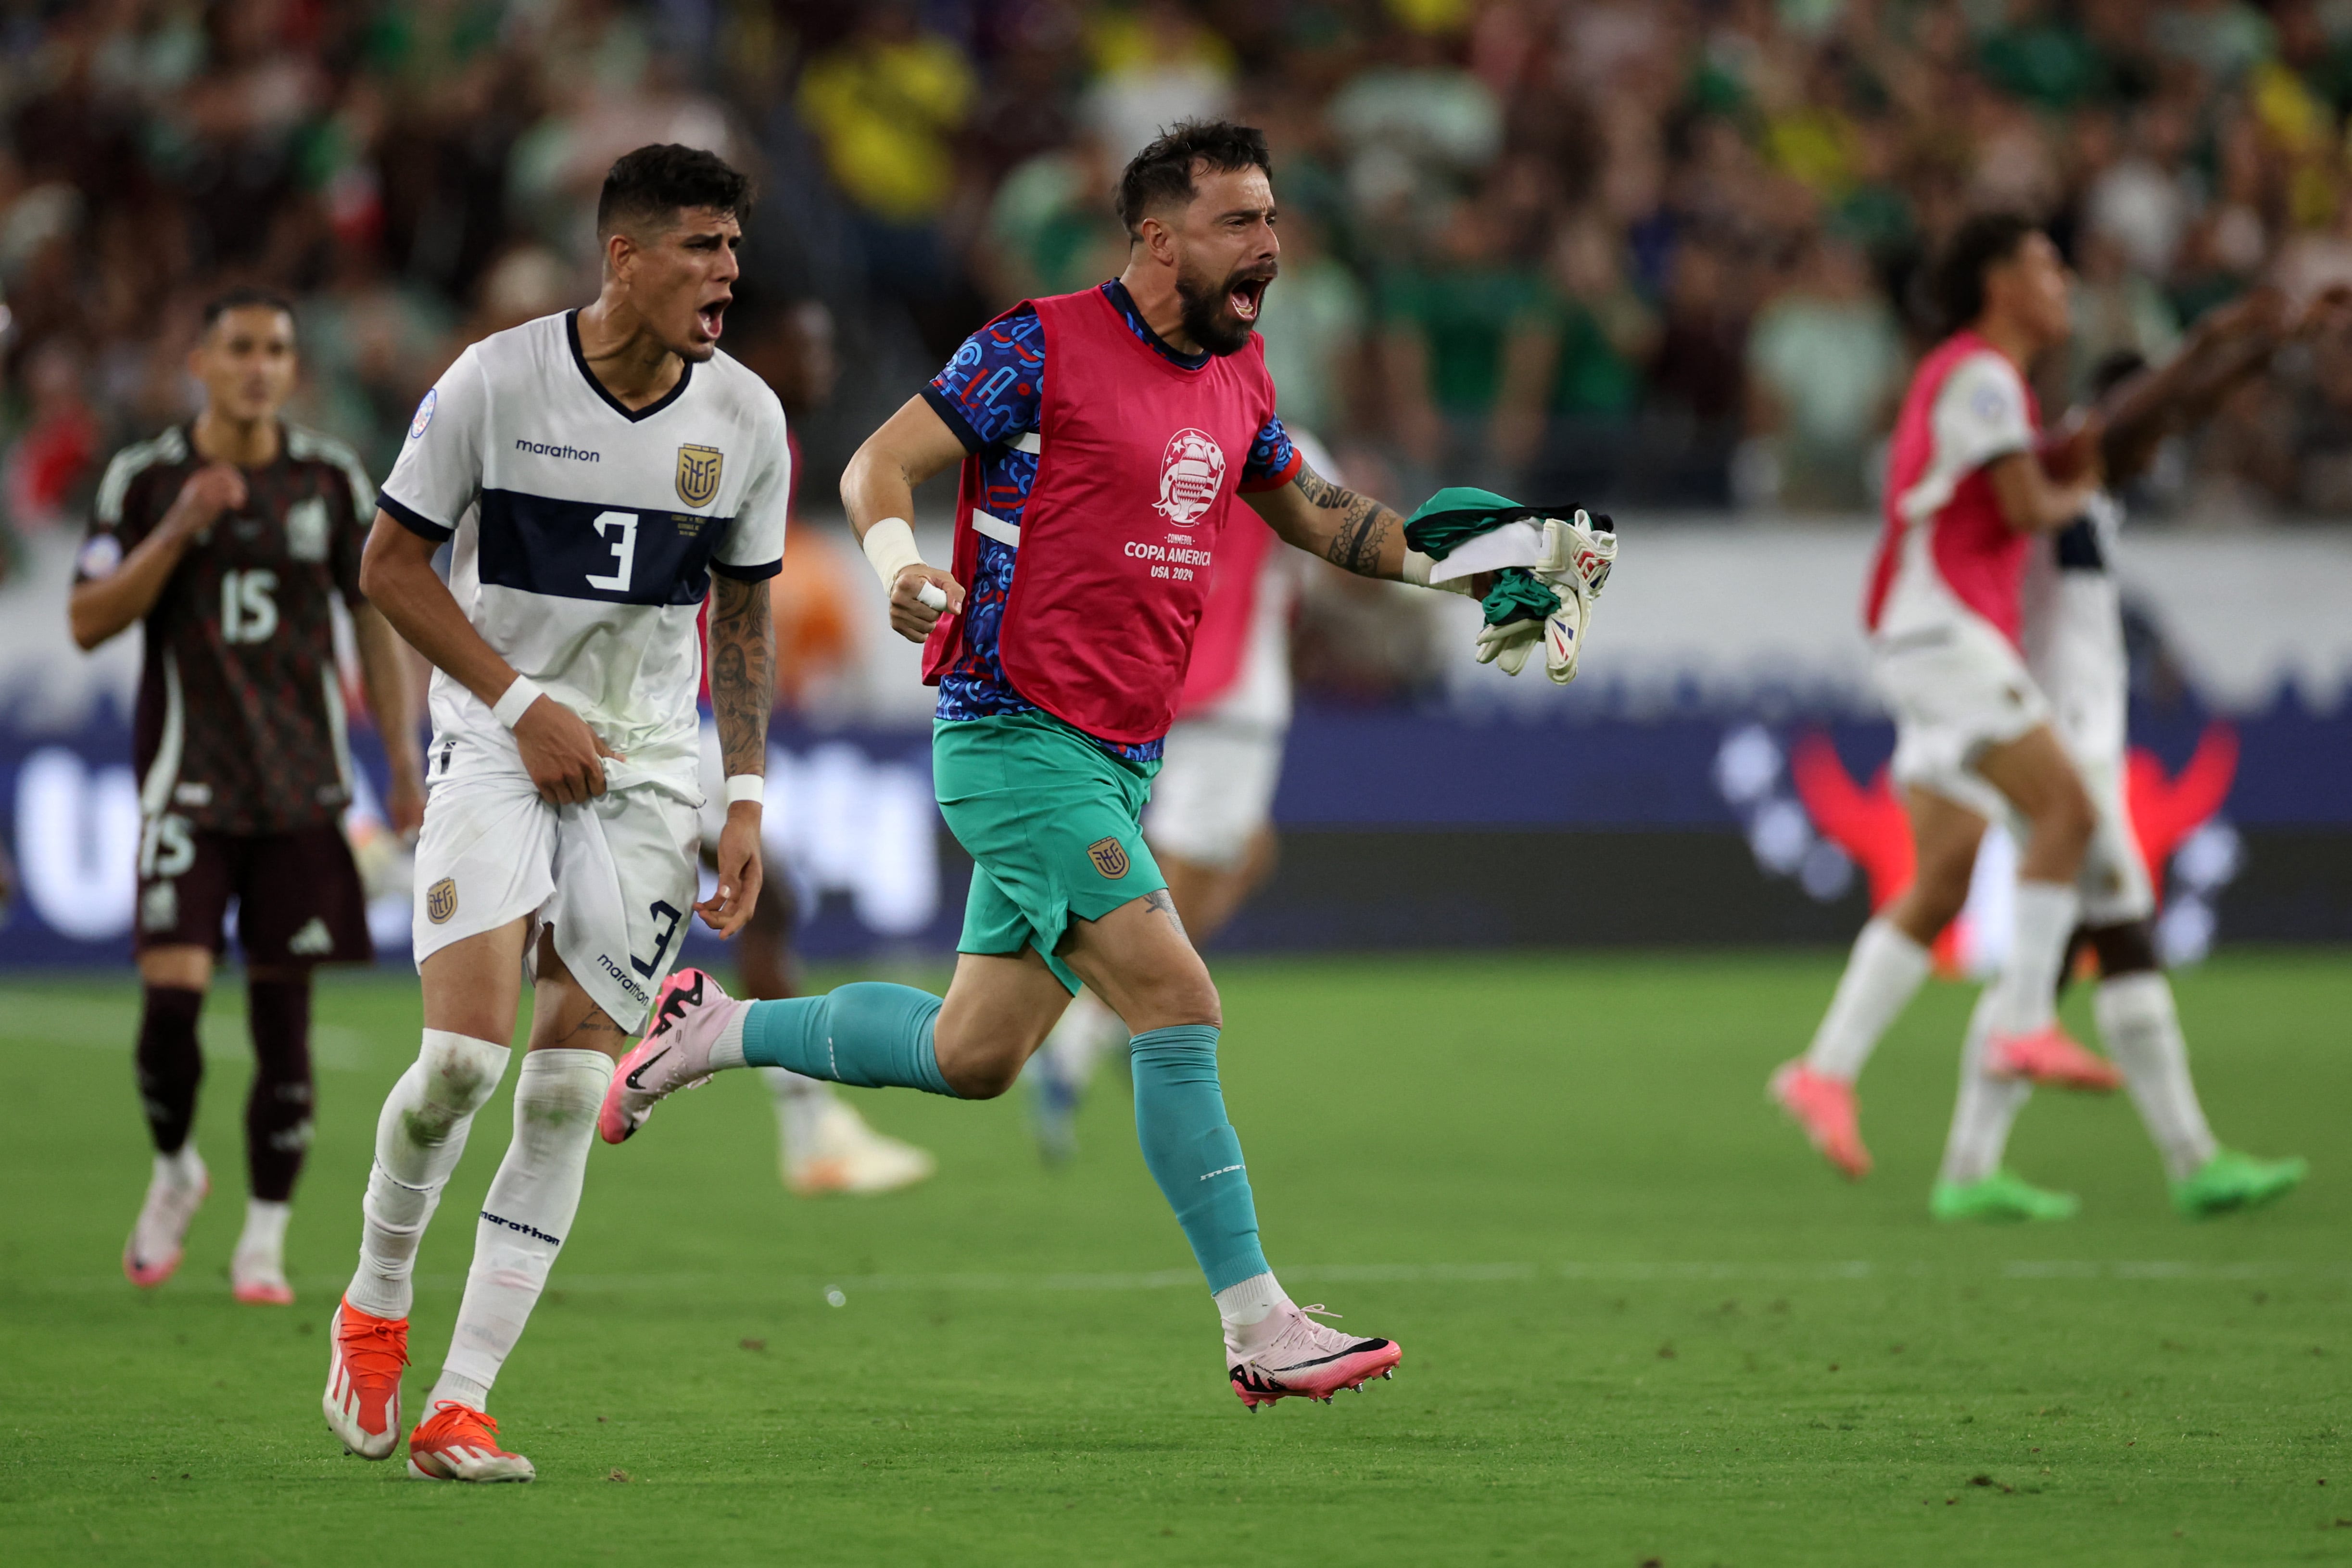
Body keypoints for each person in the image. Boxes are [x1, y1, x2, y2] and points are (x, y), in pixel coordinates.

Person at [602, 121, 1610, 1407]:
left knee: (975, 1052)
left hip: (1122, 754)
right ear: (1157, 237)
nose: (1271, 248)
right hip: (1015, 735)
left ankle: (712, 1028)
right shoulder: (1040, 343)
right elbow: (877, 463)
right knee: (1178, 1002)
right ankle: (1261, 1322)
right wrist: (902, 566)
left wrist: (1477, 569)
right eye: (1241, 223)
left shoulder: (1239, 380)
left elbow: (1329, 520)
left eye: (1274, 221)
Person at [321, 144, 786, 1481]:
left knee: (569, 1084)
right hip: (491, 737)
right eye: (701, 247)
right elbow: (390, 567)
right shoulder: (493, 381)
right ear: (624, 257)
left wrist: (740, 793)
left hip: (646, 769)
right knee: (462, 1065)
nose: (727, 273)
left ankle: (463, 1402)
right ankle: (377, 1296)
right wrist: (521, 702)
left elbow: (742, 613)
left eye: (735, 249)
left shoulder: (744, 417)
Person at [69, 288, 420, 1306]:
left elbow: (377, 617)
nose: (261, 365)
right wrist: (180, 526)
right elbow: (90, 618)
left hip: (304, 792)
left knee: (284, 1024)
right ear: (200, 361)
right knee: (170, 1005)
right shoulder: (148, 479)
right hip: (186, 785)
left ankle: (263, 1236)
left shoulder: (330, 478)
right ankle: (176, 1164)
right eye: (241, 348)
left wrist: (397, 759)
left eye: (277, 349)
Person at [1930, 298, 2309, 1219]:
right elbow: (2151, 411)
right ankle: (2184, 1161)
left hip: (2081, 740)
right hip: (2056, 746)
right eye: (2143, 432)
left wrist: (2263, 349)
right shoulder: (2059, 459)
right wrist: (2218, 342)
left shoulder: (2089, 498)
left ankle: (1982, 1169)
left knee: (2084, 955)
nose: (2155, 455)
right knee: (2108, 946)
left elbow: (2169, 416)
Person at [1770, 213, 2117, 1204]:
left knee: (1947, 875)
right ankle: (2022, 1022)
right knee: (2070, 812)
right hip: (1943, 631)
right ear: (2000, 281)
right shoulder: (1980, 374)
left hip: (1930, 634)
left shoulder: (1968, 377)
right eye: (2048, 264)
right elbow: (2021, 507)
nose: (2063, 281)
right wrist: (2083, 480)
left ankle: (1823, 1071)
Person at [1023, 427, 1328, 1163]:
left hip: (1161, 678)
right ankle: (1079, 1040)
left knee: (1247, 854)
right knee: (1176, 884)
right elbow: (1333, 551)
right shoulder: (1289, 446)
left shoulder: (1158, 437)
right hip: (1233, 701)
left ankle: (1115, 1019)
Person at [698, 300, 935, 1196]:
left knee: (767, 900)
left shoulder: (765, 434)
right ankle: (804, 1128)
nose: (824, 361)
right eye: (808, 343)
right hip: (658, 706)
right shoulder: (733, 423)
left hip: (685, 708)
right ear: (758, 345)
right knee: (765, 899)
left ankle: (807, 1130)